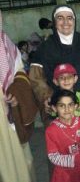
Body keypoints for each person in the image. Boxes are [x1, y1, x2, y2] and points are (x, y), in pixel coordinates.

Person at [29, 5, 80, 124]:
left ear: (74, 20)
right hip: (58, 105)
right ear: (54, 21)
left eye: (69, 18)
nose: (65, 22)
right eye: (60, 18)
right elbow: (36, 77)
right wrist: (47, 97)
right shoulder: (45, 47)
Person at [0, 22, 34, 182]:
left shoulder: (6, 43)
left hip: (13, 112)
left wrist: (15, 92)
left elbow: (19, 70)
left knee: (21, 161)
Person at [45, 89, 80, 182]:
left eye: (70, 105)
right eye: (61, 106)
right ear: (54, 108)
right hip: (64, 175)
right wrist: (77, 159)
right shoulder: (51, 131)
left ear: (76, 106)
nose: (67, 109)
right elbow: (54, 157)